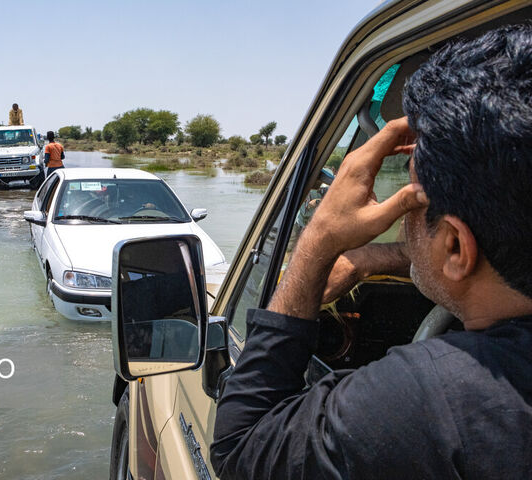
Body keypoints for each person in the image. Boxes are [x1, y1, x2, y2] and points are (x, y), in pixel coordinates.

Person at [211, 24, 532, 479]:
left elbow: (240, 450)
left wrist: (319, 240)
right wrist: (366, 259)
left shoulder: (428, 399)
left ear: (457, 246)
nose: (403, 211)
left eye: (410, 196)